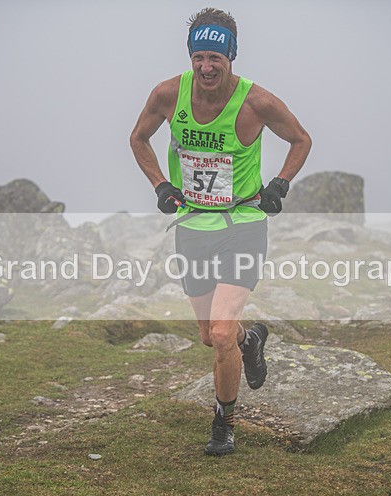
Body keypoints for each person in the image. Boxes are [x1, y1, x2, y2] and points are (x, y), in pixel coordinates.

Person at [130, 7, 311, 456]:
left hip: (244, 225)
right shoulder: (168, 95)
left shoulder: (257, 102)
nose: (206, 67)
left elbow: (301, 140)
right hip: (193, 225)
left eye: (215, 58)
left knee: (221, 332)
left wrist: (280, 185)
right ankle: (252, 341)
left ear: (231, 57)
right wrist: (161, 185)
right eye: (199, 58)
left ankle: (224, 422)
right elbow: (138, 138)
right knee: (210, 335)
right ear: (190, 58)